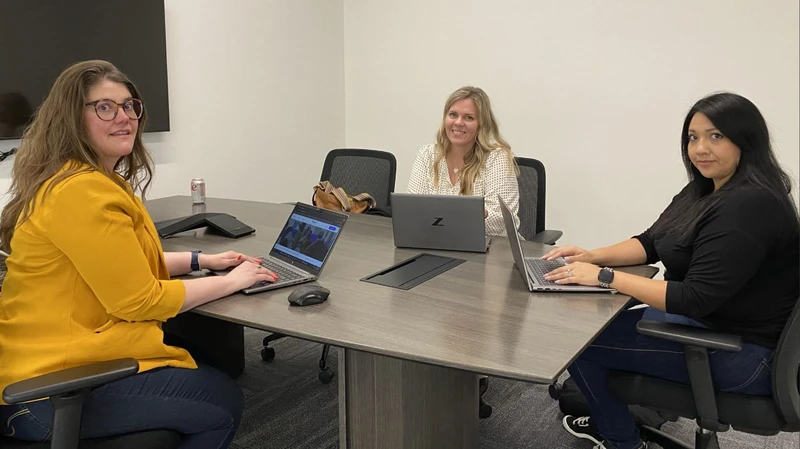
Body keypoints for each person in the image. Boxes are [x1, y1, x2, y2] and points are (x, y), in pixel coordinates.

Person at [0, 60, 279, 448]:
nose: (125, 117)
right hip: (46, 392)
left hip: (42, 367)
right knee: (222, 400)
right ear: (71, 117)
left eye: (130, 106)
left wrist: (203, 261)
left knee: (211, 367)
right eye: (105, 107)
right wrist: (230, 282)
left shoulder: (80, 181)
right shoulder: (82, 194)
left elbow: (122, 264)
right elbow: (138, 299)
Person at [542, 92, 799, 449]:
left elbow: (693, 298)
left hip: (743, 353)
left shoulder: (749, 206)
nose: (700, 149)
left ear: (746, 139)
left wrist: (604, 277)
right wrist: (593, 255)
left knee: (581, 345)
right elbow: (651, 241)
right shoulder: (705, 189)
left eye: (716, 136)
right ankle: (616, 416)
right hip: (714, 326)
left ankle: (622, 440)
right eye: (693, 137)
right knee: (592, 323)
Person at [407, 86, 520, 237]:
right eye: (453, 115)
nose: (458, 123)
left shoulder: (497, 158)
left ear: (482, 124)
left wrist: (441, 219)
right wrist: (466, 215)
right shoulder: (427, 154)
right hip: (436, 242)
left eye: (469, 117)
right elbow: (412, 211)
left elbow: (501, 220)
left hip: (491, 250)